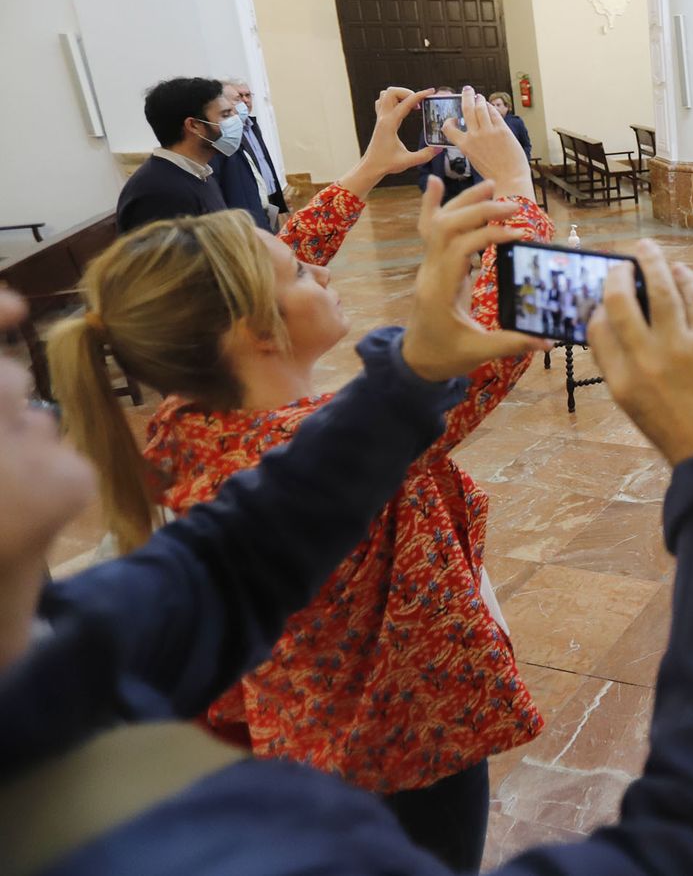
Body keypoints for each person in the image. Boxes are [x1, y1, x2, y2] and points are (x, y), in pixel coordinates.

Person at [0, 229, 693, 876]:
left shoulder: (64, 643)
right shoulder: (246, 849)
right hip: (395, 742)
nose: (8, 312)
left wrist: (408, 374)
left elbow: (235, 560)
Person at [51, 87, 552, 871]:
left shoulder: (196, 419)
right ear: (255, 331)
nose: (315, 264)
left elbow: (276, 255)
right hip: (402, 746)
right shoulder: (335, 448)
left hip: (323, 736)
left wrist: (367, 170)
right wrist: (518, 192)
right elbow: (510, 336)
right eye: (299, 271)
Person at [115, 77, 234, 232]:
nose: (238, 122)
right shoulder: (159, 192)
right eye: (225, 115)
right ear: (193, 125)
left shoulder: (200, 173)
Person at [223, 79, 290, 227]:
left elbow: (265, 163)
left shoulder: (253, 126)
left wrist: (280, 204)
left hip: (271, 198)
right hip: (254, 203)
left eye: (248, 95)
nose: (245, 100)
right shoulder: (231, 134)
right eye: (239, 97)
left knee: (275, 235)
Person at [418, 85, 485, 204]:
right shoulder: (429, 133)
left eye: (447, 101)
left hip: (473, 185)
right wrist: (429, 190)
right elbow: (423, 167)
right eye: (438, 102)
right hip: (444, 189)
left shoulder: (471, 127)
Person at [489, 91, 533, 160]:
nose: (495, 108)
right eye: (492, 105)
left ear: (507, 107)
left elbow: (526, 144)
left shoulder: (516, 122)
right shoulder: (488, 122)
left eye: (498, 105)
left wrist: (524, 159)